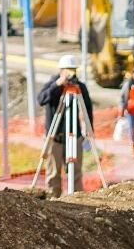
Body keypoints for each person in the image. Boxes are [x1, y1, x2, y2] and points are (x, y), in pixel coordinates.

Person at [37, 54, 94, 197]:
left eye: (73, 70)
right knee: (54, 172)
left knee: (75, 171)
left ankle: (76, 198)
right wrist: (57, 85)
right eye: (67, 70)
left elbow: (87, 109)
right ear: (61, 70)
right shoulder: (53, 84)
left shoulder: (79, 87)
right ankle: (53, 197)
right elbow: (41, 99)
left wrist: (89, 130)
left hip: (74, 135)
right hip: (55, 136)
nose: (70, 73)